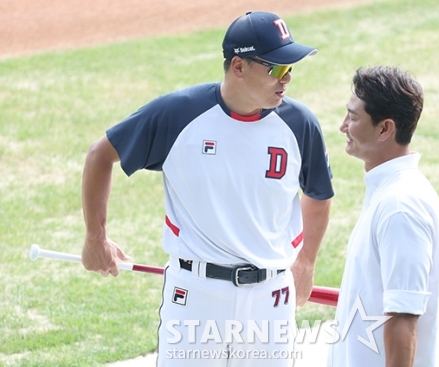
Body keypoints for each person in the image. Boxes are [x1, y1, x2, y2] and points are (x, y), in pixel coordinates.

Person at [80, 11, 334, 366]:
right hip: (195, 297)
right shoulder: (178, 114)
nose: (287, 78)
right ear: (239, 67)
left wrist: (306, 261)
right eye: (276, 68)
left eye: (291, 67)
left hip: (271, 299)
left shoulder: (299, 123)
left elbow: (318, 195)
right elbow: (99, 156)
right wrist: (96, 238)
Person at [328, 66, 439, 367]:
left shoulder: (400, 206)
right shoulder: (389, 193)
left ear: (385, 129)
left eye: (353, 117)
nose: (343, 126)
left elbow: (403, 318)